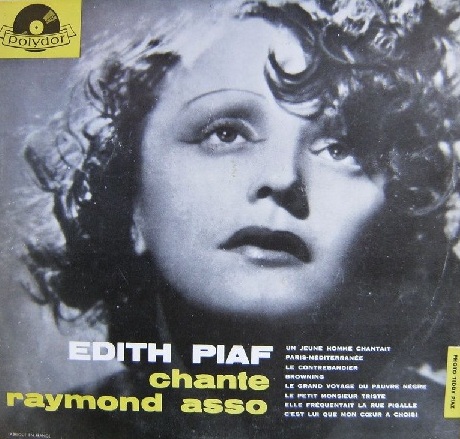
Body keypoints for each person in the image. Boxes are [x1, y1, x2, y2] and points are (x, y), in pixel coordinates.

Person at [9, 0, 460, 437]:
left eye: (341, 148)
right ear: (129, 196)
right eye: (225, 133)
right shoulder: (43, 429)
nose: (282, 177)